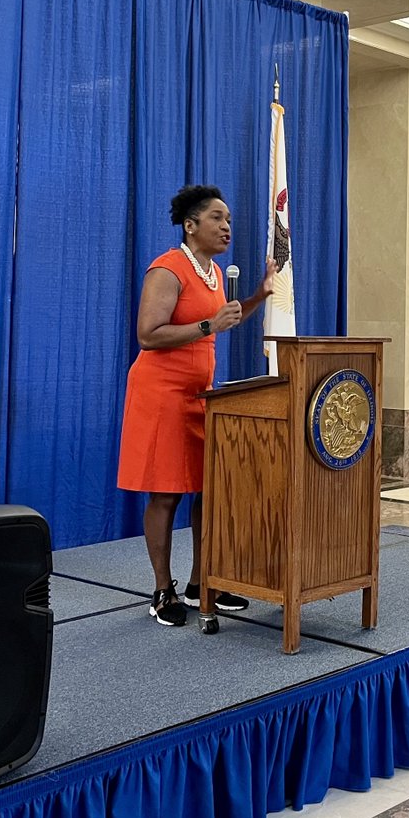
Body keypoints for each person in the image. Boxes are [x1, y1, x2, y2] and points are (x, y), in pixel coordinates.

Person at [118, 185, 276, 626]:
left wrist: (260, 294)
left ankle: (200, 582)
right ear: (191, 226)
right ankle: (162, 589)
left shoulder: (212, 271)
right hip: (162, 395)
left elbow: (224, 317)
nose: (227, 227)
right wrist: (209, 323)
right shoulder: (167, 269)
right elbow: (149, 335)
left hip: (199, 395)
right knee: (166, 493)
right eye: (217, 219)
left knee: (208, 490)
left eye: (228, 220)